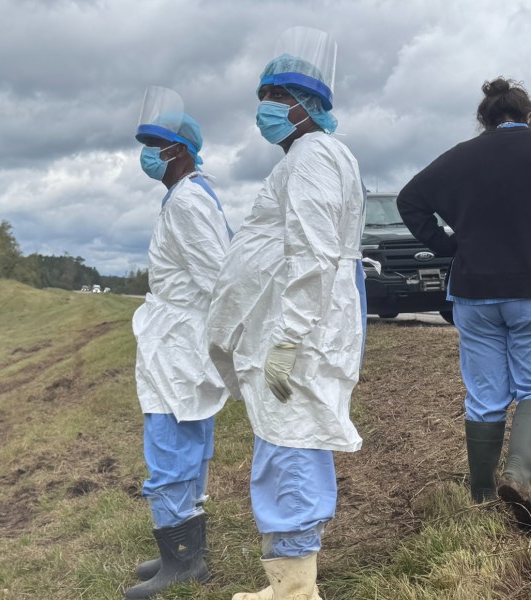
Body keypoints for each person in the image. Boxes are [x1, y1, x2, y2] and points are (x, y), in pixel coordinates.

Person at [206, 26, 365, 600]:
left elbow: (314, 252)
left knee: (291, 447)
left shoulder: (314, 155)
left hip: (302, 331)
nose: (266, 111)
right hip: (297, 326)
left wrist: (289, 337)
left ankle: (297, 591)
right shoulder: (307, 155)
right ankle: (289, 584)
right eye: (264, 99)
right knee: (286, 443)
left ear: (307, 107)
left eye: (278, 99)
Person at [397, 77, 531, 530]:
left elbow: (410, 200)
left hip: (474, 290)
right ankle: (518, 475)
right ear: (529, 116)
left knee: (485, 397)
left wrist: (445, 243)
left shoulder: (459, 157)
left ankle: (483, 495)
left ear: (484, 121)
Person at [126, 86, 233, 599]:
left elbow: (217, 277)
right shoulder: (186, 198)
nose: (147, 154)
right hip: (178, 340)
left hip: (179, 344)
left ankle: (182, 560)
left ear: (180, 151)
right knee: (184, 443)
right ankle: (183, 549)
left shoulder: (188, 202)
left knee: (169, 445)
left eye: (156, 143)